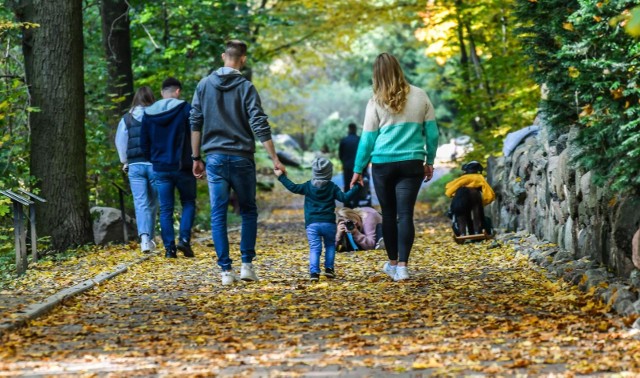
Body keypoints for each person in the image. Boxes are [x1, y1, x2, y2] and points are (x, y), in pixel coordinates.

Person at [190, 40, 287, 285]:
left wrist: (195, 158)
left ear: (224, 56)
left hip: (214, 158)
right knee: (248, 211)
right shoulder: (246, 87)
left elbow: (195, 122)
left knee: (218, 214)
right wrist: (275, 158)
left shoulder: (203, 86)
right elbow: (259, 124)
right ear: (242, 59)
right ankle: (246, 265)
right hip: (242, 158)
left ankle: (225, 272)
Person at [350, 52, 439, 282]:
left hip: (383, 164)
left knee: (388, 215)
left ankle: (392, 263)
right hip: (412, 163)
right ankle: (403, 267)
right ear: (399, 69)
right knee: (406, 215)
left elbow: (367, 139)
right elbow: (432, 133)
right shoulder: (420, 95)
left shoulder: (376, 101)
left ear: (377, 75)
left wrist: (358, 169)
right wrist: (429, 161)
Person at [274, 157, 361, 281]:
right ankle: (329, 269)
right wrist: (357, 187)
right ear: (329, 173)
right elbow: (344, 198)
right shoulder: (332, 187)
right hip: (329, 223)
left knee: (315, 248)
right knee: (330, 245)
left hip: (312, 224)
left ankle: (314, 273)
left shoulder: (308, 186)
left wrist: (281, 176)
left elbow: (293, 187)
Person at [140, 77, 196, 259]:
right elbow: (194, 133)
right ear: (177, 91)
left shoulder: (148, 113)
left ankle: (169, 249)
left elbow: (144, 143)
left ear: (162, 92)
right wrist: (197, 158)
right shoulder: (185, 109)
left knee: (165, 209)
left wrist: (154, 159)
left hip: (160, 167)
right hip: (183, 166)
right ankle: (185, 240)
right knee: (188, 202)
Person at [115, 86, 158, 253]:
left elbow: (120, 141)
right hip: (154, 164)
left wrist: (124, 161)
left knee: (140, 203)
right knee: (153, 202)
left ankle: (145, 240)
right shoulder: (156, 117)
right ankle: (151, 237)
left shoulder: (126, 119)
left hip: (135, 165)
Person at [444, 161, 495, 236]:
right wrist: (486, 200)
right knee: (476, 213)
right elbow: (488, 191)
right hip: (475, 195)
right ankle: (477, 232)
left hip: (461, 194)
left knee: (461, 214)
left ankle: (462, 233)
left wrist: (451, 194)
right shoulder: (480, 178)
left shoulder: (462, 178)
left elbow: (451, 187)